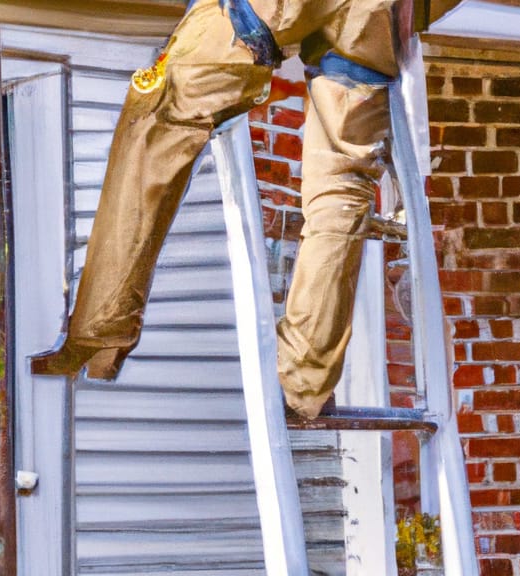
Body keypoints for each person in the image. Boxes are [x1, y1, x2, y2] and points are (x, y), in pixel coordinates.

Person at [30, 0, 400, 419]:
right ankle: (304, 382)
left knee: (161, 112)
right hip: (376, 17)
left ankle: (101, 329)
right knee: (342, 183)